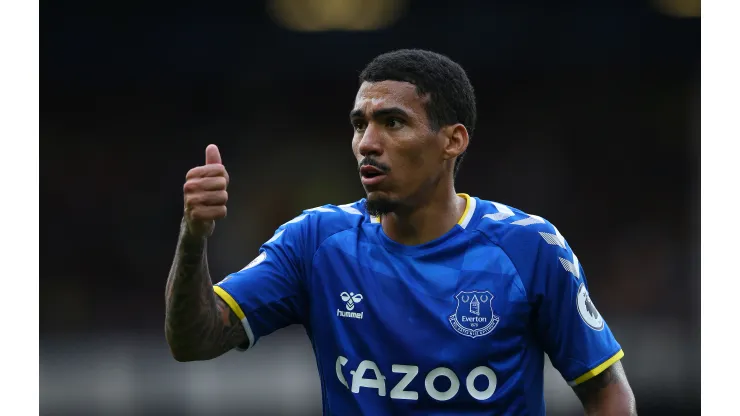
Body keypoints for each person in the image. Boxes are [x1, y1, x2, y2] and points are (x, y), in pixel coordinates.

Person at [164, 49, 637, 415]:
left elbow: (607, 390)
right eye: (359, 124)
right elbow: (194, 340)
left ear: (453, 140)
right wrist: (192, 237)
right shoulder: (314, 243)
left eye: (393, 122)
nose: (367, 143)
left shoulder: (528, 248)